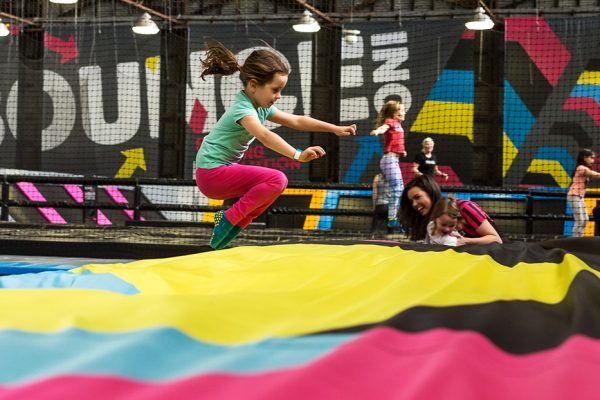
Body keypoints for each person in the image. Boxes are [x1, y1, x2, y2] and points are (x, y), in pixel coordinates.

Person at [195, 42, 356, 249]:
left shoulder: (260, 106)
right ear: (253, 85)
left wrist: (334, 128)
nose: (278, 96)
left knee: (272, 188)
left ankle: (234, 224)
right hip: (211, 174)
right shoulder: (242, 110)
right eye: (275, 90)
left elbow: (297, 120)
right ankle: (226, 218)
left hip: (219, 173)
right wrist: (297, 155)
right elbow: (263, 135)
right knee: (277, 179)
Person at [399, 174, 503, 245]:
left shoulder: (464, 207)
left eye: (417, 197)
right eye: (411, 201)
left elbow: (496, 239)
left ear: (430, 192)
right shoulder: (432, 221)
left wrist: (464, 241)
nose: (414, 204)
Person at [370, 100, 406, 230]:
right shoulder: (390, 122)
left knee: (400, 188)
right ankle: (392, 219)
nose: (404, 112)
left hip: (394, 159)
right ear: (394, 113)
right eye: (401, 110)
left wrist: (402, 151)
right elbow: (384, 128)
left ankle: (393, 218)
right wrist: (377, 131)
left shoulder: (399, 124)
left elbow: (396, 139)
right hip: (389, 160)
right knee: (397, 188)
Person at [566, 149, 600, 237]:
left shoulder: (585, 168)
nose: (593, 160)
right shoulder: (581, 167)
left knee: (585, 219)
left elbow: (594, 175)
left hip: (579, 196)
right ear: (585, 158)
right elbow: (592, 174)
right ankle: (574, 240)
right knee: (580, 220)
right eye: (591, 158)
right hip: (574, 195)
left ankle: (579, 239)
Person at [371, 173, 391, 237]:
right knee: (391, 232)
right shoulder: (396, 176)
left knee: (374, 230)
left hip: (381, 205)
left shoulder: (378, 177)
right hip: (392, 207)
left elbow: (375, 194)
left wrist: (374, 207)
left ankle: (373, 236)